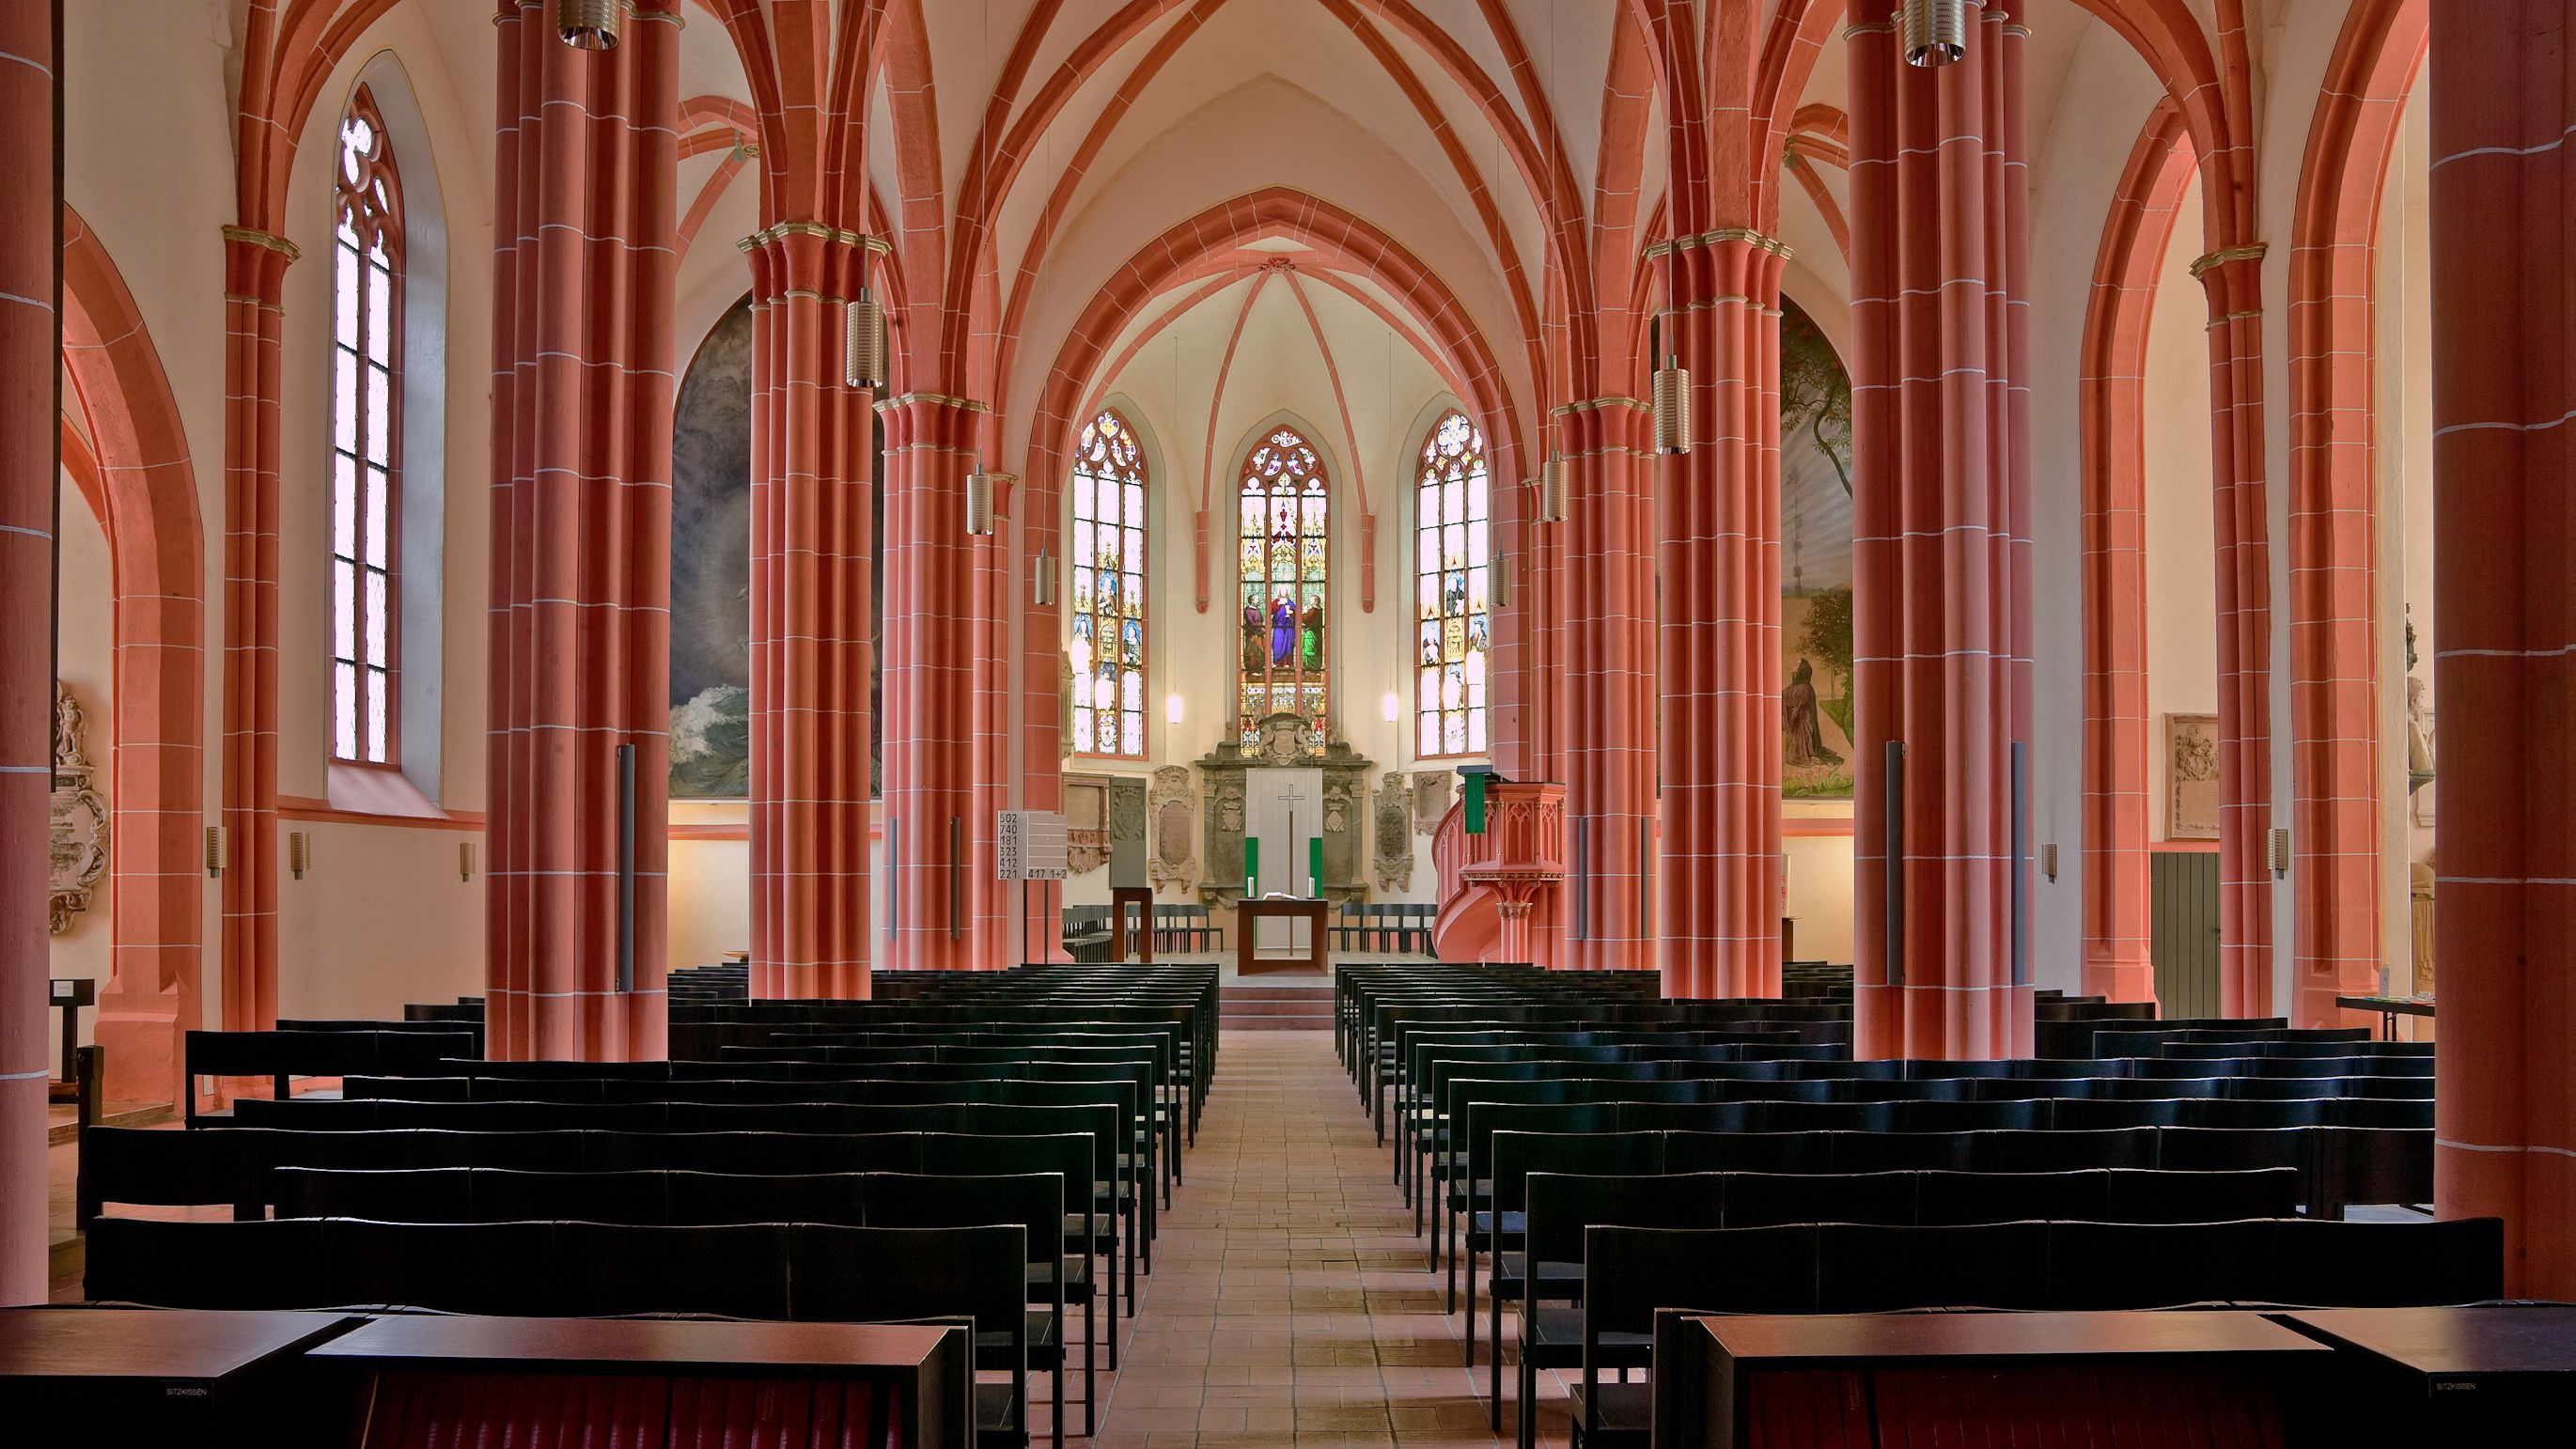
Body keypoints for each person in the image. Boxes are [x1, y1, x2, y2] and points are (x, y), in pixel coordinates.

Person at [1783, 657, 1840, 768]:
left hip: (1803, 724)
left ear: (1802, 669)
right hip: (1798, 723)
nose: (1793, 666)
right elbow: (1785, 697)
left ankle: (1817, 758)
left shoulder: (1805, 687)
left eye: (1796, 664)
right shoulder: (1794, 686)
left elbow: (1791, 702)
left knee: (1796, 756)